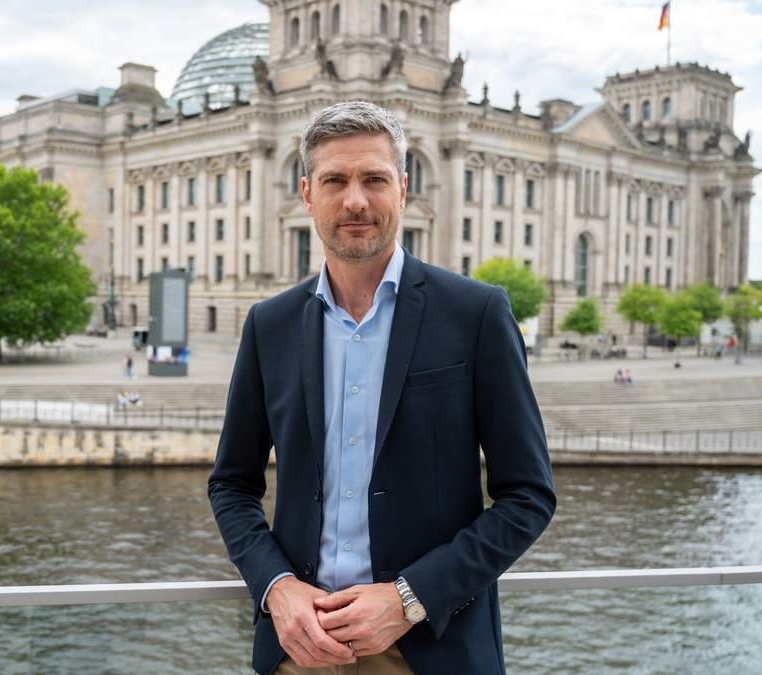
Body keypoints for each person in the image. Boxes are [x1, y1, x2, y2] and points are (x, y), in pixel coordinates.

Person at [208, 101, 556, 675]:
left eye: (374, 179)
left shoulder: (476, 313)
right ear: (306, 193)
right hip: (301, 649)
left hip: (430, 648)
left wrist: (410, 597)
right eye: (335, 180)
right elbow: (232, 485)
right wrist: (276, 588)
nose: (354, 201)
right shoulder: (268, 324)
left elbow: (528, 497)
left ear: (403, 188)